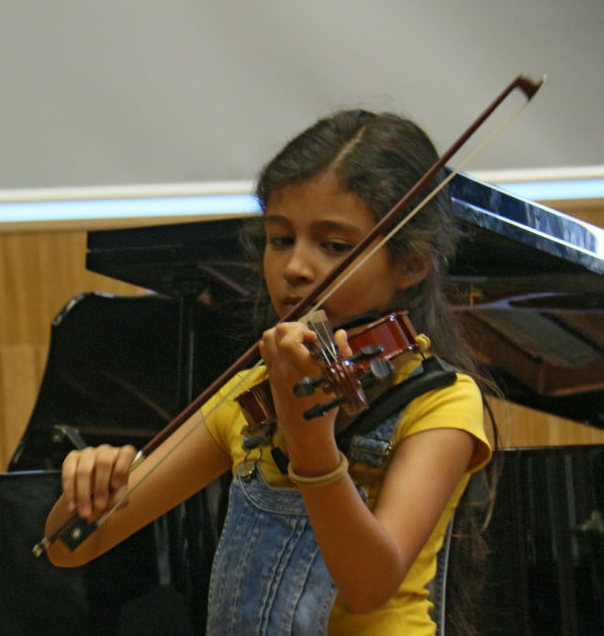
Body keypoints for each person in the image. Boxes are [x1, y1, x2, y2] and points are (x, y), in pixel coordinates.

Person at [44, 110, 496, 636]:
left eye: (333, 245)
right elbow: (70, 548)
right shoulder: (255, 394)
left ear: (411, 263)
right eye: (280, 239)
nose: (295, 268)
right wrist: (86, 490)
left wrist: (312, 448)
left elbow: (370, 585)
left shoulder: (440, 401)